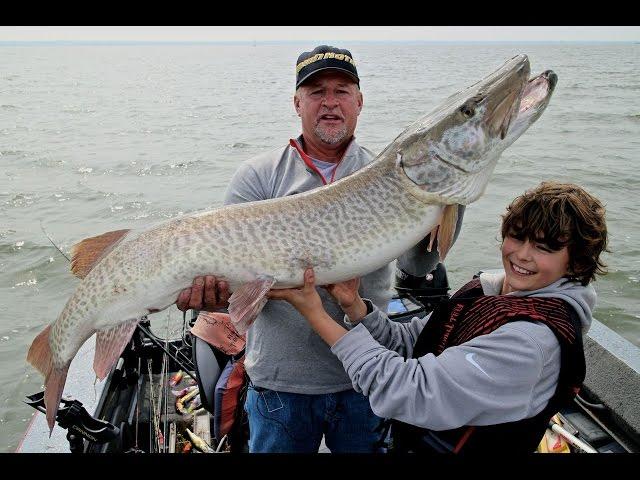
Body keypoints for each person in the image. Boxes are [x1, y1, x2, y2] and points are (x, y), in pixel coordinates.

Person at [175, 45, 466, 453]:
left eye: (342, 90)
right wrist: (215, 294)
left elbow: (418, 267)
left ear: (360, 102)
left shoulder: (392, 172)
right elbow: (238, 275)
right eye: (316, 91)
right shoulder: (258, 176)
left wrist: (453, 195)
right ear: (297, 103)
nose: (330, 102)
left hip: (365, 375)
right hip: (281, 382)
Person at [268, 181, 609, 454]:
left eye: (545, 248)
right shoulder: (491, 291)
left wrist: (315, 313)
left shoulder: (530, 342)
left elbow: (408, 390)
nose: (522, 255)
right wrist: (355, 307)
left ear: (577, 262)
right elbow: (415, 342)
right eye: (516, 236)